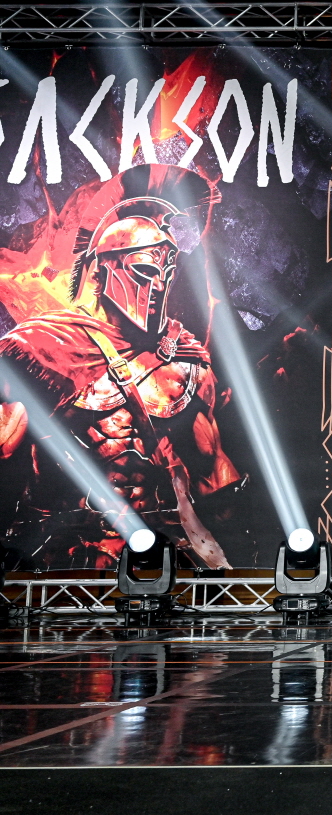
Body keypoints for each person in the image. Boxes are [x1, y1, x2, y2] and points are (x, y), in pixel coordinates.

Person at [0, 165, 241, 570]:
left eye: (167, 274)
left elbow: (215, 477)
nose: (158, 286)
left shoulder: (185, 364)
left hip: (158, 554)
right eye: (145, 270)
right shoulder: (44, 347)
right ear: (103, 268)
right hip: (64, 555)